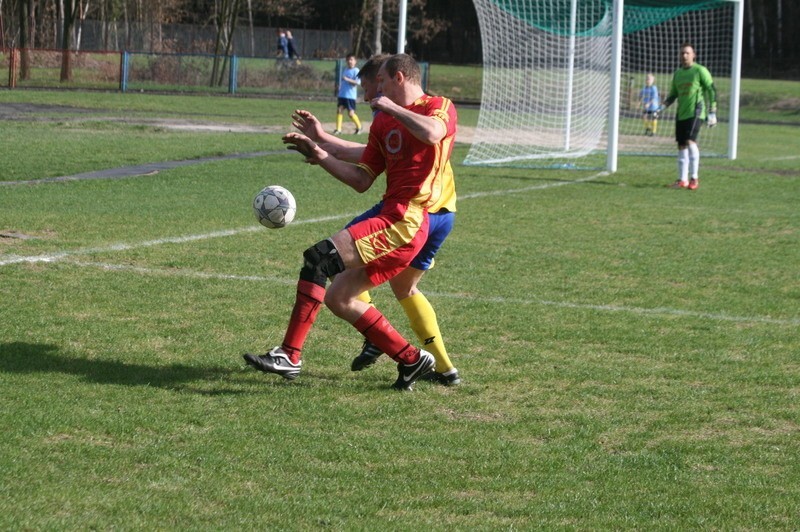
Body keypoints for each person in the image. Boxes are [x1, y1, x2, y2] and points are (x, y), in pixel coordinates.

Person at [244, 54, 458, 391]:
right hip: (393, 218)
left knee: (319, 258)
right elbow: (361, 179)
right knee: (340, 297)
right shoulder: (384, 124)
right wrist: (320, 153)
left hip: (408, 221)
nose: (374, 95)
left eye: (381, 85)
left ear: (398, 78)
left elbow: (433, 133)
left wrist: (390, 107)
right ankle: (411, 359)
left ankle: (289, 354)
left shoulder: (437, 105)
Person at [661, 43, 717, 191]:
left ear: (694, 55)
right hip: (682, 113)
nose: (684, 56)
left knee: (690, 140)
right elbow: (673, 94)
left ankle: (694, 178)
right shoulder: (678, 73)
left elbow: (711, 90)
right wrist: (661, 107)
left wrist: (712, 111)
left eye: (687, 53)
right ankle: (682, 180)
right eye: (682, 53)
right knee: (681, 145)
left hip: (696, 112)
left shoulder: (700, 71)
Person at [334, 54, 363, 135]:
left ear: (355, 61)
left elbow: (357, 82)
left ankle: (359, 127)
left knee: (351, 114)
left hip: (350, 96)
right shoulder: (346, 69)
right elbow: (343, 81)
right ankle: (338, 129)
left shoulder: (356, 71)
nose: (349, 61)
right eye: (348, 60)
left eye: (351, 60)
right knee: (339, 110)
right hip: (342, 94)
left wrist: (347, 79)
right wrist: (340, 87)